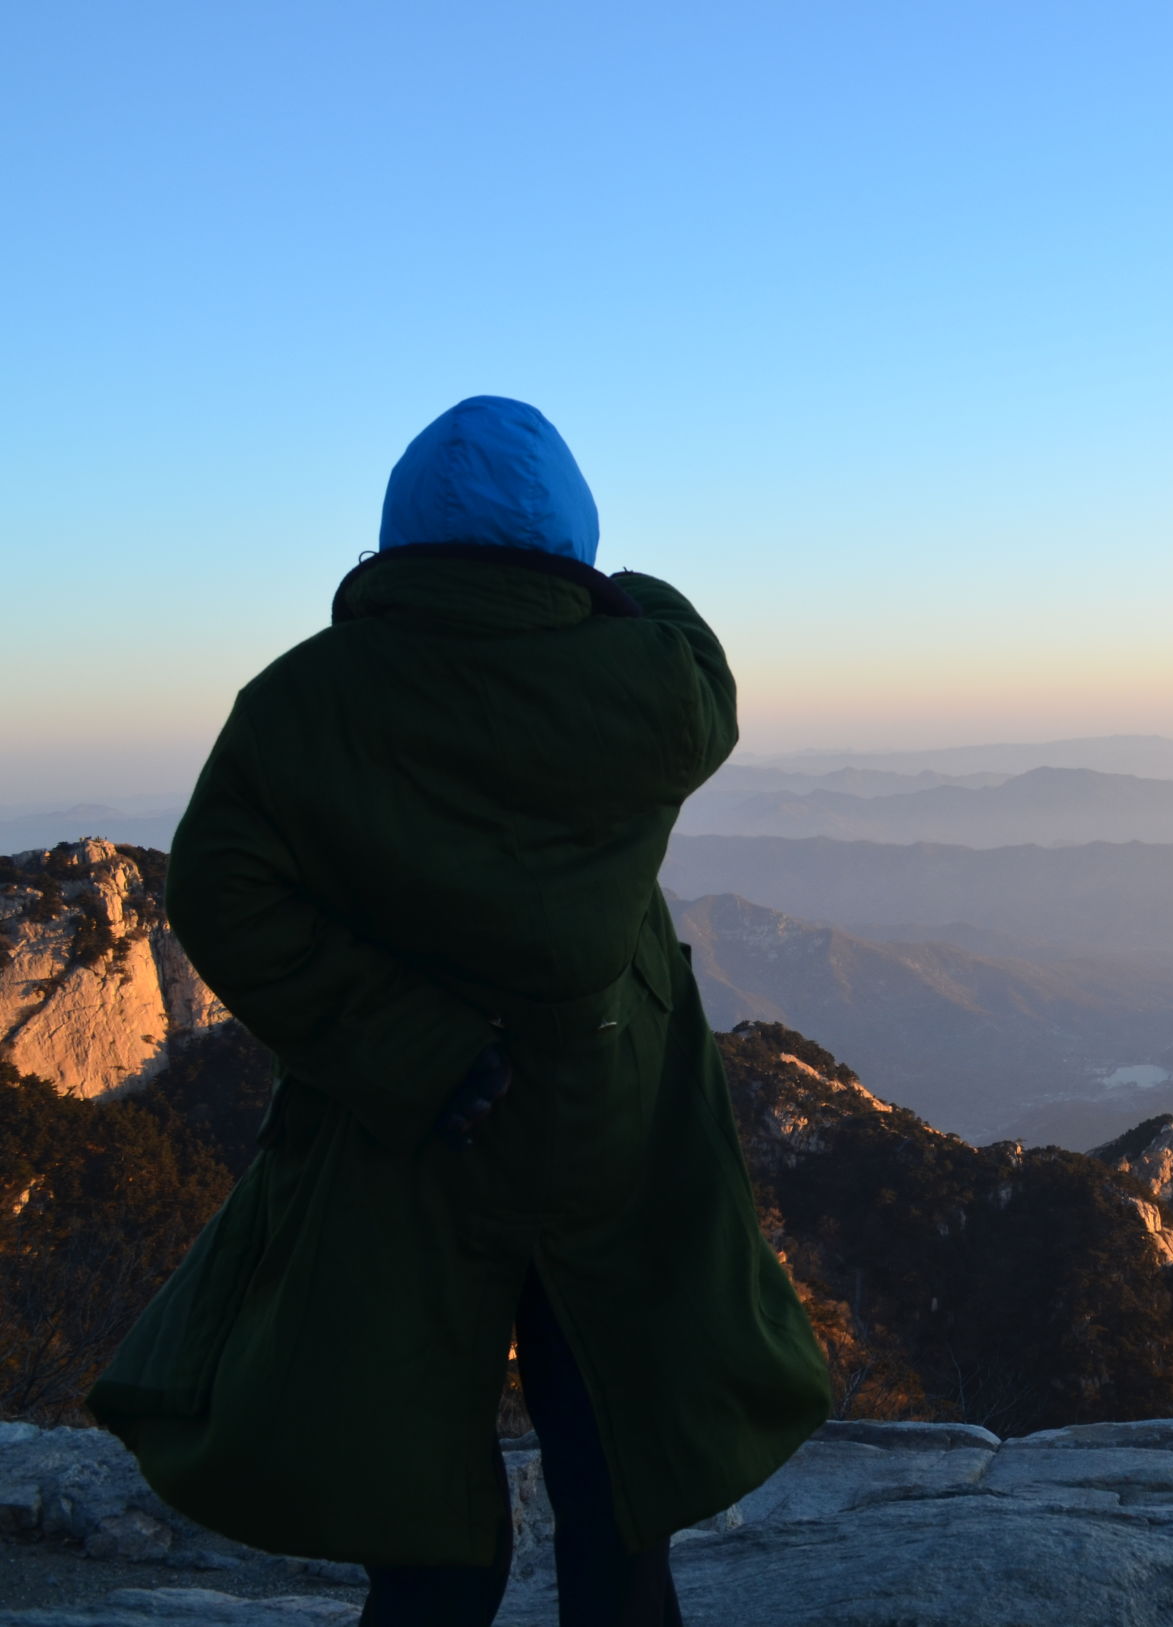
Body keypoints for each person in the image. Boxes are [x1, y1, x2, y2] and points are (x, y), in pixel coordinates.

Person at [88, 397, 833, 1626]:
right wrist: (612, 578)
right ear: (569, 547)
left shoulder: (304, 700)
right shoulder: (651, 680)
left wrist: (400, 1041)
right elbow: (698, 652)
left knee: (420, 1517)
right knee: (617, 1499)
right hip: (608, 1121)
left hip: (415, 1132)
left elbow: (216, 887)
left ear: (398, 542)